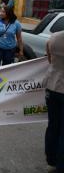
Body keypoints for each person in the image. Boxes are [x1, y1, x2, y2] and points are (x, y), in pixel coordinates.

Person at [43, 31, 64, 173]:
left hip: (52, 85)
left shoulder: (54, 37)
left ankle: (51, 160)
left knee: (53, 125)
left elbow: (50, 60)